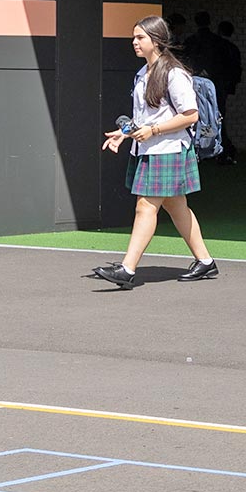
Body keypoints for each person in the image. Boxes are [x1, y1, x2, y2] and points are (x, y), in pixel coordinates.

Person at [95, 16, 219, 289]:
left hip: (168, 150)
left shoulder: (174, 74)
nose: (134, 42)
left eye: (140, 37)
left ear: (157, 40)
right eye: (134, 37)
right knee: (177, 207)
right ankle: (206, 262)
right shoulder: (143, 73)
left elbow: (191, 116)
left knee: (145, 207)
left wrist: (154, 131)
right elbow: (146, 117)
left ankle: (127, 270)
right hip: (151, 149)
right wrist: (124, 134)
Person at [207, 20, 244, 164]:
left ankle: (220, 147)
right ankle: (222, 147)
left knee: (213, 117)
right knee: (219, 117)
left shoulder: (217, 47)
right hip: (224, 88)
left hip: (215, 87)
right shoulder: (232, 49)